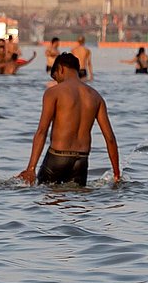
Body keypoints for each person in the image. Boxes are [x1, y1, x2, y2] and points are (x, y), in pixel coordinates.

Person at [18, 53, 120, 186]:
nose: (57, 82)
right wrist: (117, 173)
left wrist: (31, 168)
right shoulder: (96, 96)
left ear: (61, 69)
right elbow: (110, 138)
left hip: (57, 158)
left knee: (47, 200)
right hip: (82, 161)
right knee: (77, 203)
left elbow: (42, 131)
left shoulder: (54, 92)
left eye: (56, 78)